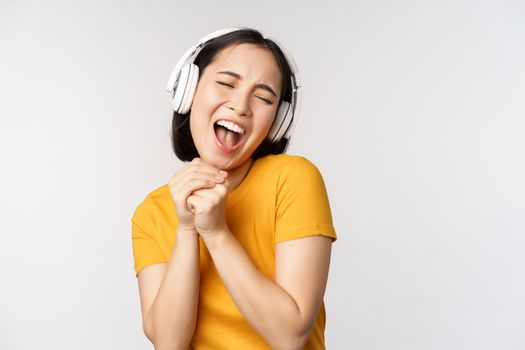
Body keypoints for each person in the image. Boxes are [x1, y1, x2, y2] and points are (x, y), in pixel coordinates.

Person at [131, 27, 337, 350]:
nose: (240, 105)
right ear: (189, 90)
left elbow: (291, 335)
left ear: (277, 122)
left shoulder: (295, 179)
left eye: (263, 96)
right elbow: (168, 343)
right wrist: (187, 229)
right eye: (227, 83)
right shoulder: (151, 213)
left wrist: (216, 233)